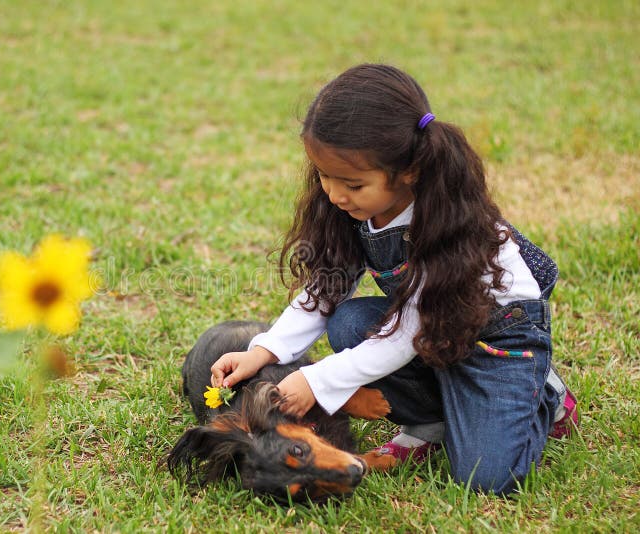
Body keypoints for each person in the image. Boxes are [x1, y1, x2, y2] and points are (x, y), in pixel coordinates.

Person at [209, 64, 578, 495]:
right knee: (347, 322)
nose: (334, 194)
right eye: (323, 176)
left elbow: (406, 333)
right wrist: (265, 350)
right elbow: (325, 289)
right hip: (434, 331)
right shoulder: (354, 208)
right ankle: (433, 420)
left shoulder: (445, 222)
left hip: (497, 342)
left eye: (351, 183)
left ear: (409, 171)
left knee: (486, 478)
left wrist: (317, 380)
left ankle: (545, 396)